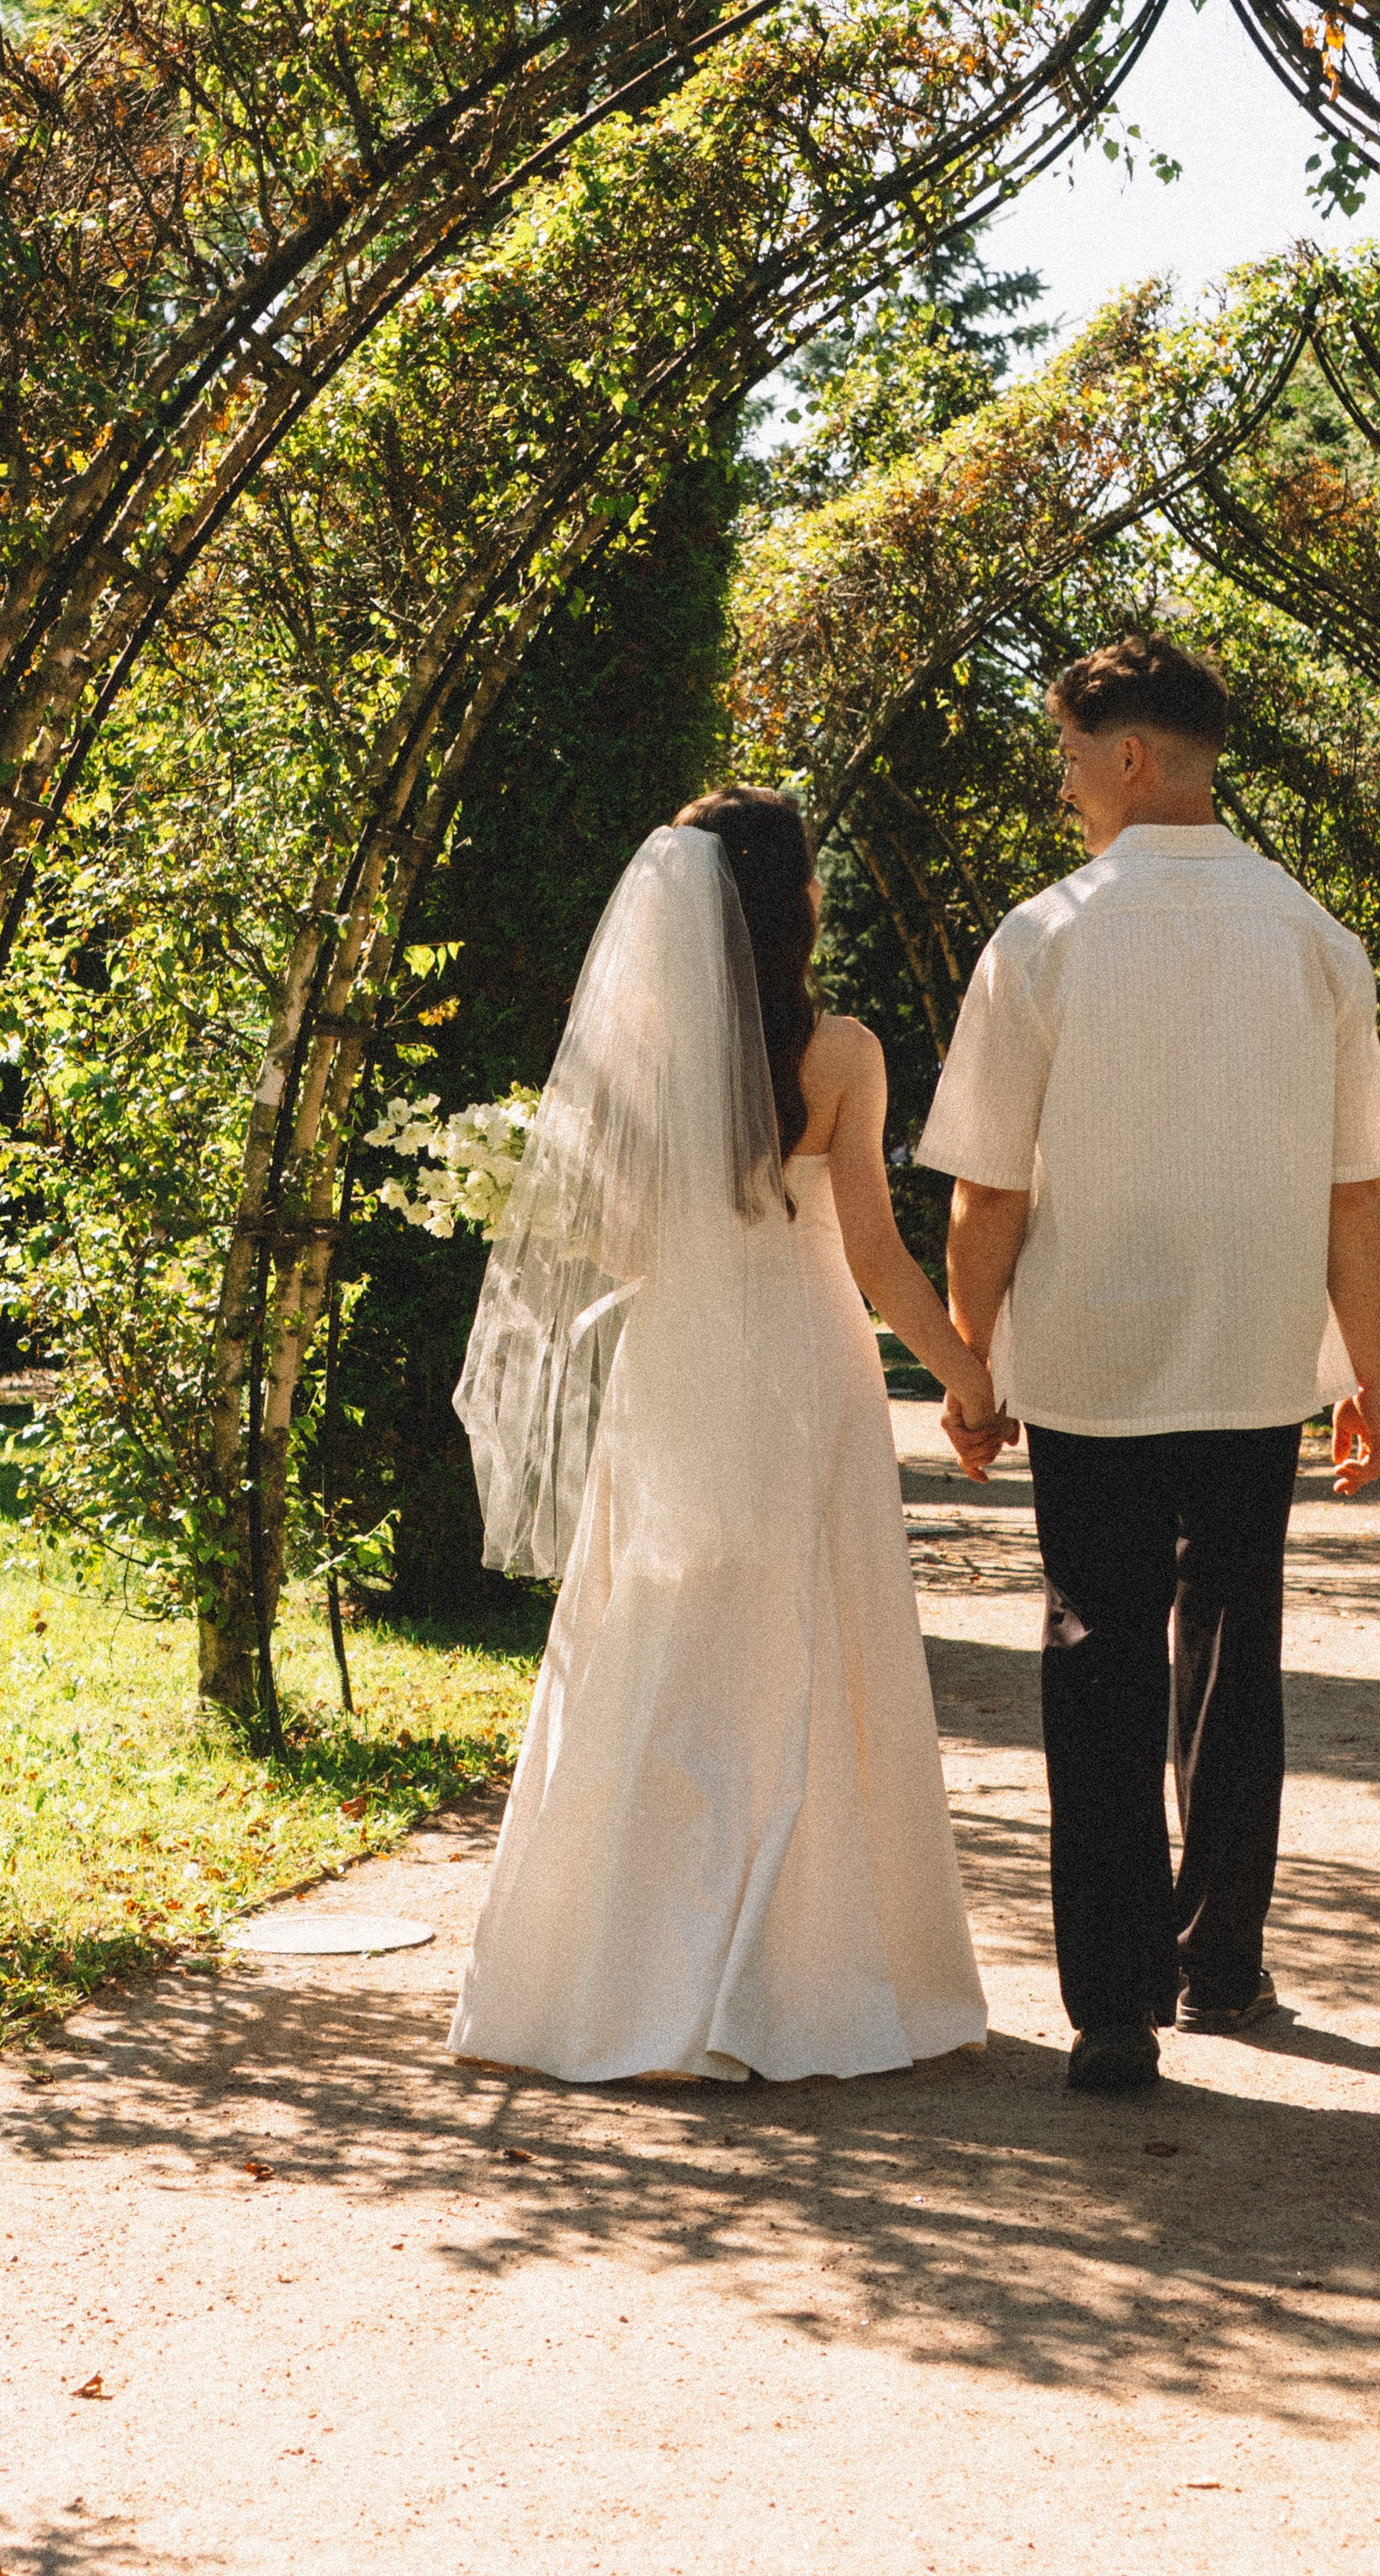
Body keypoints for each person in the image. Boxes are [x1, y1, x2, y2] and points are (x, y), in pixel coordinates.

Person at [921, 633, 1380, 2096]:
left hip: (1090, 1354)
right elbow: (1353, 1194)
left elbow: (987, 1191)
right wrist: (1365, 1380)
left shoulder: (1047, 937)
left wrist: (970, 1363)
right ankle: (1224, 1963)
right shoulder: (1316, 937)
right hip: (1258, 1357)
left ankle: (1112, 2006)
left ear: (1132, 756)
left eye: (1073, 762)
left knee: (1094, 1655)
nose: (1067, 791)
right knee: (1231, 1655)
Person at [447, 787, 991, 2084]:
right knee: (809, 1638)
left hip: (678, 1354)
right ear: (794, 903)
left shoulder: (641, 1043)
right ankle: (792, 1973)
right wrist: (969, 1379)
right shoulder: (841, 1053)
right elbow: (872, 1251)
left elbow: (614, 1239)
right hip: (805, 1358)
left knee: (654, 1636)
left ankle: (608, 1975)